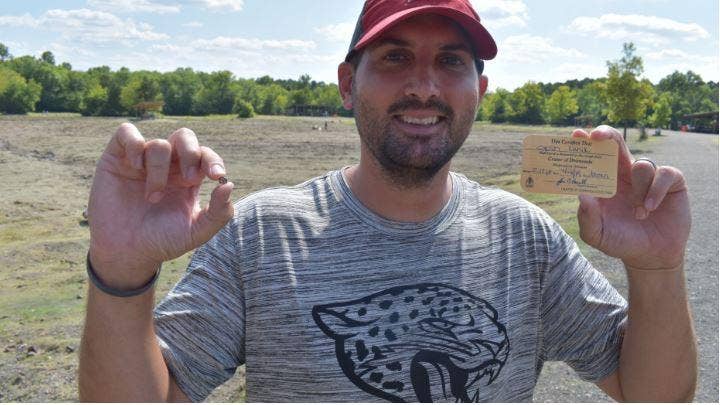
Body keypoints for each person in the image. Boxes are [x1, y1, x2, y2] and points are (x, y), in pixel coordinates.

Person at [78, 0, 697, 402]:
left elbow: (657, 395)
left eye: (450, 62)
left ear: (478, 89)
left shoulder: (525, 238)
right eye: (396, 58)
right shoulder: (264, 236)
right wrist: (122, 269)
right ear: (349, 84)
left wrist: (658, 268)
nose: (424, 87)